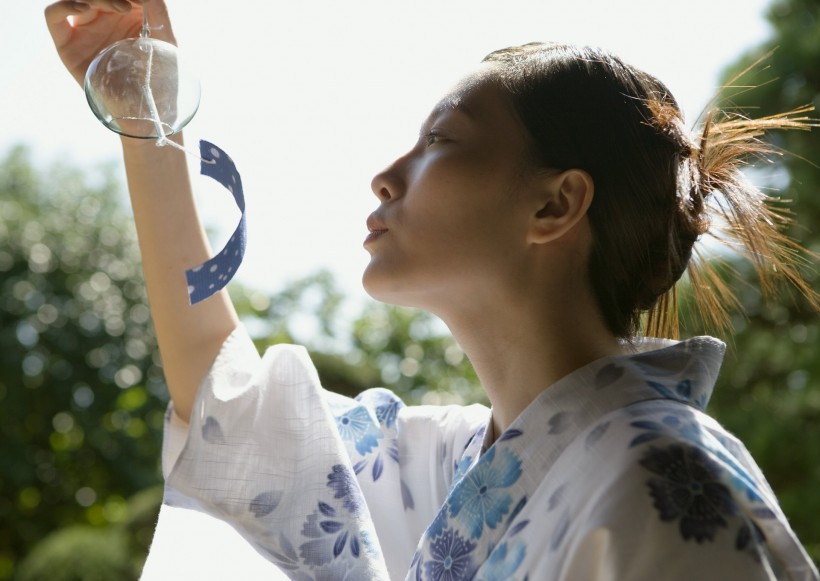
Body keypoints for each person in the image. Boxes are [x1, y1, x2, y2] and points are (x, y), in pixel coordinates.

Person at [46, 1, 819, 579]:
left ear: (554, 204)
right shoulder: (460, 466)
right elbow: (229, 410)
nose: (386, 173)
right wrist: (146, 108)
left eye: (441, 140)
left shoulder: (668, 475)